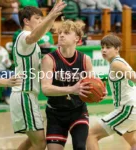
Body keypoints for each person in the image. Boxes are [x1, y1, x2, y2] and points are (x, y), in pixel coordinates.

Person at [10, 1, 66, 150]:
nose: (40, 21)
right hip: (24, 94)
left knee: (32, 140)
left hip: (28, 96)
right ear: (26, 21)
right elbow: (35, 35)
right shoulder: (24, 36)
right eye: (37, 18)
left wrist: (52, 16)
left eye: (41, 19)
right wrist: (51, 15)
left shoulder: (31, 40)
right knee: (40, 143)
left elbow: (42, 30)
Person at [41, 20, 94, 150]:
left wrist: (97, 94)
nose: (61, 35)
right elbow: (46, 89)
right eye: (60, 33)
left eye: (66, 33)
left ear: (77, 38)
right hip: (55, 113)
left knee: (80, 146)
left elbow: (92, 85)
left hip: (78, 111)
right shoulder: (49, 59)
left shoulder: (85, 60)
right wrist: (72, 89)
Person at [87, 34, 136, 150]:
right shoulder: (118, 62)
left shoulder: (116, 64)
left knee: (90, 134)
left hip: (127, 108)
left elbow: (134, 77)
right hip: (131, 107)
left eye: (108, 47)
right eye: (102, 47)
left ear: (117, 49)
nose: (104, 50)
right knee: (133, 141)